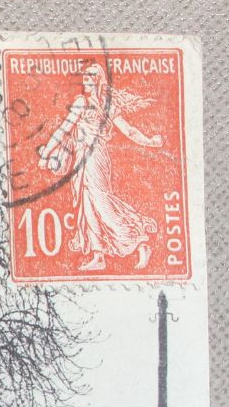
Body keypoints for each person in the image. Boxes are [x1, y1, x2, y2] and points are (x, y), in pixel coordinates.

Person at [37, 62, 165, 272]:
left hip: (96, 157)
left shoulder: (106, 105)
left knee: (100, 201)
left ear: (98, 80)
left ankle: (139, 241)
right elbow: (64, 129)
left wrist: (149, 142)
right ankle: (98, 255)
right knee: (87, 205)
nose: (85, 79)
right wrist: (48, 153)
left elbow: (129, 130)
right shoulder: (83, 102)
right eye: (85, 75)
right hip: (81, 158)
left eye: (90, 76)